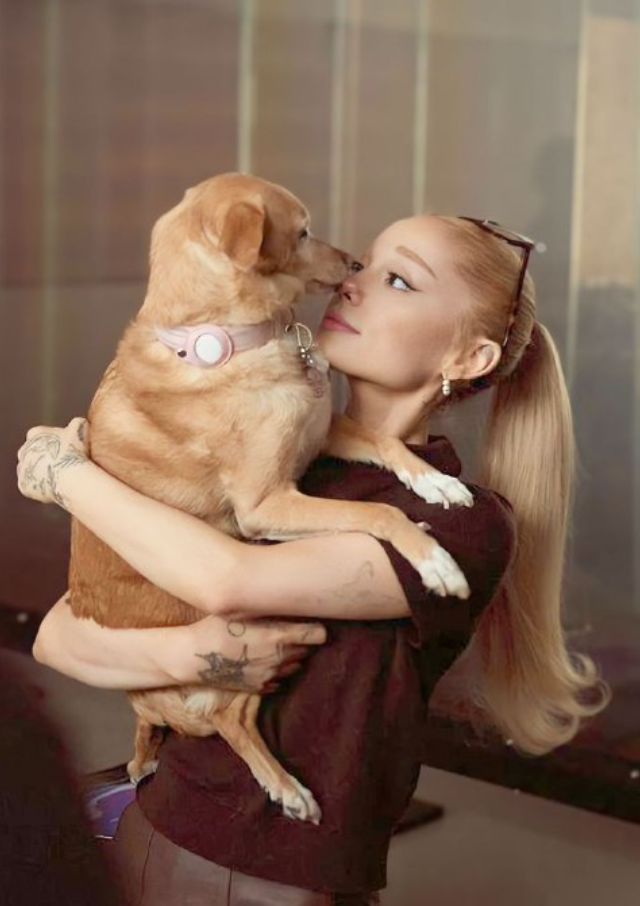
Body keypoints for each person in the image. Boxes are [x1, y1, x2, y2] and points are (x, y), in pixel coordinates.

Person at [17, 214, 610, 906]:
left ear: (468, 359)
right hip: (153, 825)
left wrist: (65, 473)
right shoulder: (274, 459)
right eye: (366, 264)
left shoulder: (462, 527)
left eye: (400, 280)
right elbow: (61, 634)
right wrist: (190, 653)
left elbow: (229, 580)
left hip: (275, 882)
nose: (353, 282)